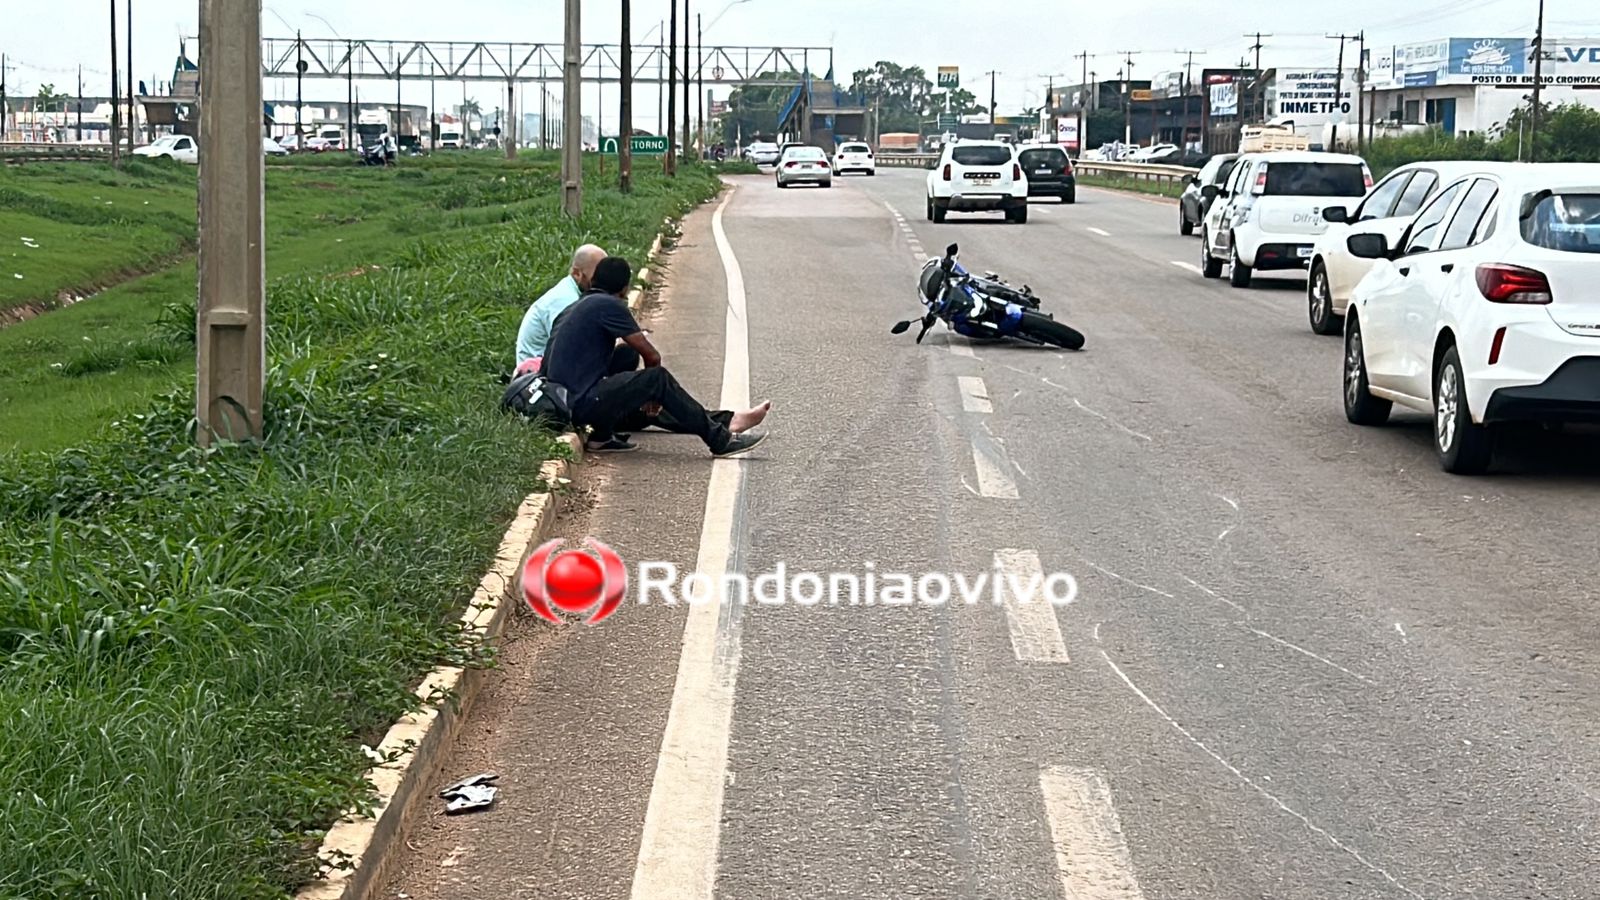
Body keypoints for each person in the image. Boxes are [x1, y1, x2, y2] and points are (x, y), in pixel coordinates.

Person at [541, 256, 770, 457]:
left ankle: (602, 436)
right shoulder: (609, 304)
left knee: (627, 355)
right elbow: (652, 356)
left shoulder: (573, 307)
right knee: (657, 380)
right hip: (580, 404)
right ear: (624, 288)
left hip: (561, 401)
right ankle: (720, 439)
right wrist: (652, 394)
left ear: (593, 281)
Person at [516, 244, 606, 371]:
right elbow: (570, 349)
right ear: (576, 273)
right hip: (538, 375)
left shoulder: (577, 293)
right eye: (596, 278)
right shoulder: (566, 301)